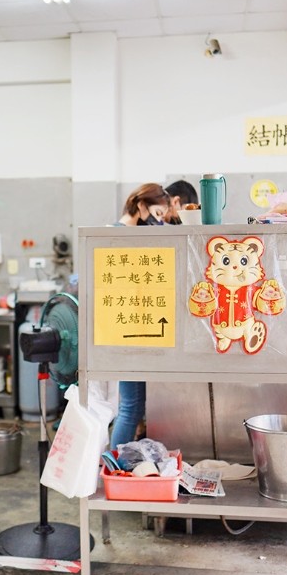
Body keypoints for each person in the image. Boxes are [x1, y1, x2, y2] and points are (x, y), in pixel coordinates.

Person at [109, 184, 172, 450]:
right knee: (131, 407)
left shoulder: (126, 233)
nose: (157, 222)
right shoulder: (119, 235)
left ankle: (115, 465)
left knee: (132, 407)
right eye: (157, 214)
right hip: (128, 330)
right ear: (142, 205)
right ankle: (113, 467)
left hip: (135, 328)